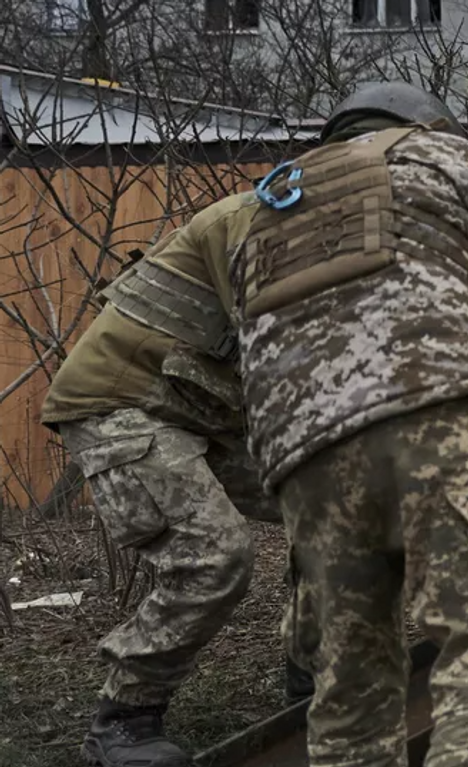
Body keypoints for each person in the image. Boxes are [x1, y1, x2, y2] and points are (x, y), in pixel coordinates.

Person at [233, 81, 468, 766]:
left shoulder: (269, 204)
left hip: (304, 453)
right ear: (432, 123)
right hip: (436, 408)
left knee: (349, 689)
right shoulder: (439, 154)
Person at [41, 191, 315, 767]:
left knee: (336, 505)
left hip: (196, 407)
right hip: (120, 402)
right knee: (214, 554)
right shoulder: (265, 214)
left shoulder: (343, 223)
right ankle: (123, 722)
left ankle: (318, 677)